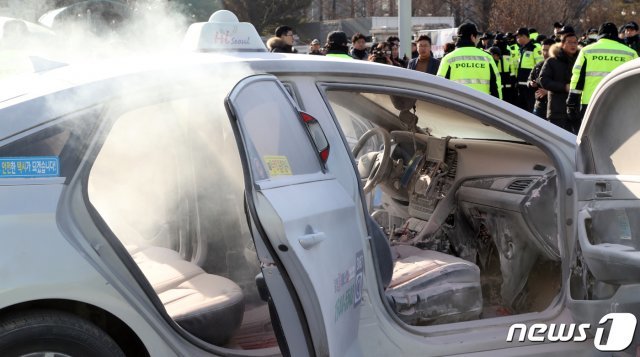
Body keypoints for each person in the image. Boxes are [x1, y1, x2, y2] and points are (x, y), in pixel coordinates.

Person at [567, 22, 638, 130]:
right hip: (620, 103)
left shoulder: (587, 51)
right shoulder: (630, 53)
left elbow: (577, 77)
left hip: (591, 102)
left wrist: (572, 100)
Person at [437, 23, 502, 99]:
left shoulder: (448, 58)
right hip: (482, 106)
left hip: (456, 106)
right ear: (472, 37)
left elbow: (440, 85)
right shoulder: (487, 57)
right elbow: (496, 85)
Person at [539, 31, 579, 132]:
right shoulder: (552, 61)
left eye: (575, 42)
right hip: (557, 111)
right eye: (570, 42)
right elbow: (543, 80)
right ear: (562, 44)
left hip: (576, 110)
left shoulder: (580, 60)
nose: (573, 45)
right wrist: (564, 87)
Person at [514, 27, 543, 112]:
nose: (517, 39)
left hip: (530, 86)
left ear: (523, 36)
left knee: (530, 108)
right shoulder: (522, 49)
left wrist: (536, 81)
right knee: (521, 109)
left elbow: (540, 65)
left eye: (518, 37)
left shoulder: (534, 48)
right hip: (521, 85)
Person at [529, 38, 555, 119]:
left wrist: (548, 92)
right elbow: (529, 79)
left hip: (554, 108)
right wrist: (531, 83)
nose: (545, 53)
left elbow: (564, 86)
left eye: (548, 50)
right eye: (543, 50)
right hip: (539, 105)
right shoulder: (538, 65)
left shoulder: (560, 66)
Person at [494, 34, 516, 104]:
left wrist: (513, 79)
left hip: (508, 81)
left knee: (508, 102)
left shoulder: (508, 52)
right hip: (497, 79)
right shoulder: (492, 52)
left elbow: (511, 66)